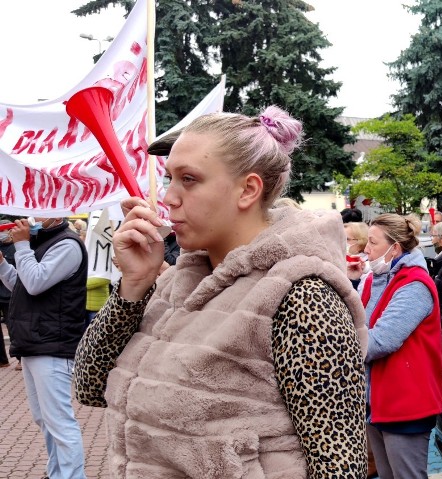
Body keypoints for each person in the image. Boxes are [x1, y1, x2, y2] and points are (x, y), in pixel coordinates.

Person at [73, 106, 369, 478]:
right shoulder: (171, 285)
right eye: (169, 179)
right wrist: (134, 286)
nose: (168, 198)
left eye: (189, 179)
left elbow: (339, 464)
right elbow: (88, 386)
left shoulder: (301, 296)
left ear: (247, 190)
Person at [0, 216, 88, 479]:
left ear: (56, 212)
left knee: (59, 422)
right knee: (45, 420)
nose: (29, 217)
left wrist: (23, 247)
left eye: (36, 211)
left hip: (53, 343)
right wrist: (3, 265)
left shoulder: (67, 244)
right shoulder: (46, 241)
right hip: (36, 341)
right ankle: (57, 473)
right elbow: (23, 285)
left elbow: (36, 283)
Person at [359, 213, 442, 478]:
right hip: (378, 400)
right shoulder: (376, 280)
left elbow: (380, 341)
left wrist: (337, 344)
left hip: (406, 405)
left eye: (372, 243)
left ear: (394, 248)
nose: (365, 249)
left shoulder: (414, 284)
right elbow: (357, 323)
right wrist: (352, 283)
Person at [0, 220, 15, 368]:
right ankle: (2, 360)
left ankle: (20, 358)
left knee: (13, 326)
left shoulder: (16, 248)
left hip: (10, 293)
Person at [344, 221, 370, 288]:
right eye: (341, 238)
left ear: (361, 241)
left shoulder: (368, 267)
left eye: (347, 239)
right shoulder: (342, 259)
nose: (342, 242)